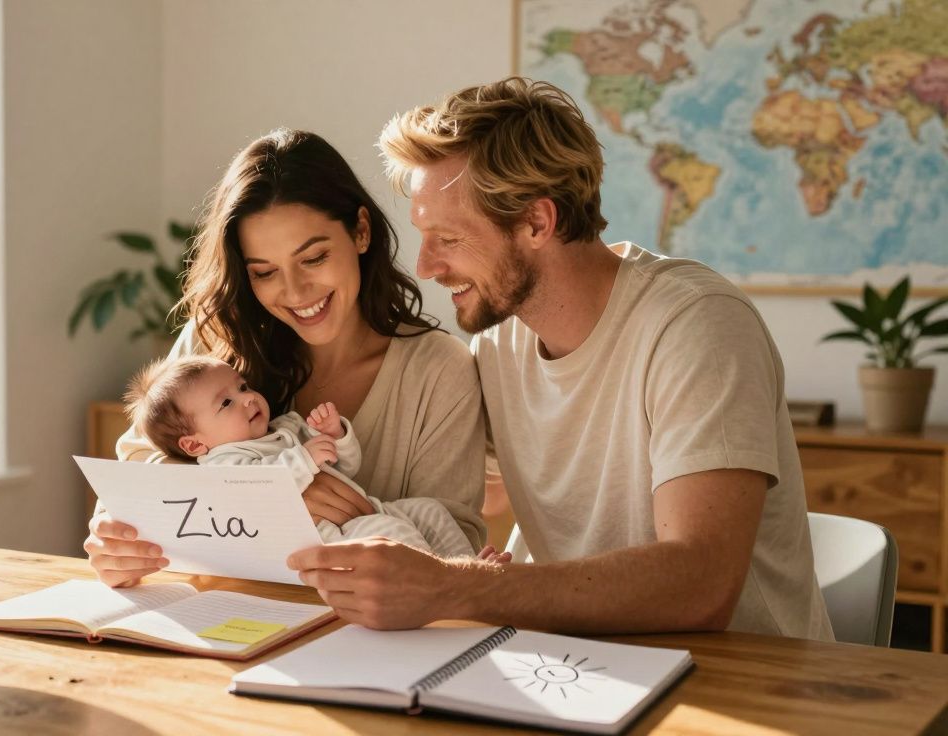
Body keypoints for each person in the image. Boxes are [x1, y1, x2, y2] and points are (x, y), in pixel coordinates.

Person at [289, 77, 834, 641]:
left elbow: (700, 585)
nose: (425, 267)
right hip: (582, 671)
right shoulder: (502, 342)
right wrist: (300, 483)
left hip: (746, 685)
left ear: (536, 223)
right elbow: (486, 491)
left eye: (447, 238)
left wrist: (453, 587)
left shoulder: (696, 324)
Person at [84, 129, 492, 588]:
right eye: (265, 272)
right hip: (229, 620)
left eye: (314, 258)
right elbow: (131, 484)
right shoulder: (212, 342)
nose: (296, 293)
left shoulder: (439, 370)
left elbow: (457, 542)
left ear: (360, 231)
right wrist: (261, 499)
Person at [122, 355, 474, 557]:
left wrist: (336, 437)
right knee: (391, 534)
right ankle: (440, 591)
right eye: (226, 402)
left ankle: (465, 570)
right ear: (195, 445)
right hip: (330, 536)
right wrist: (304, 460)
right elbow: (258, 492)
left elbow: (347, 468)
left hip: (365, 506)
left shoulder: (286, 427)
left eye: (242, 387)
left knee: (430, 511)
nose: (247, 398)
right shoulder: (223, 464)